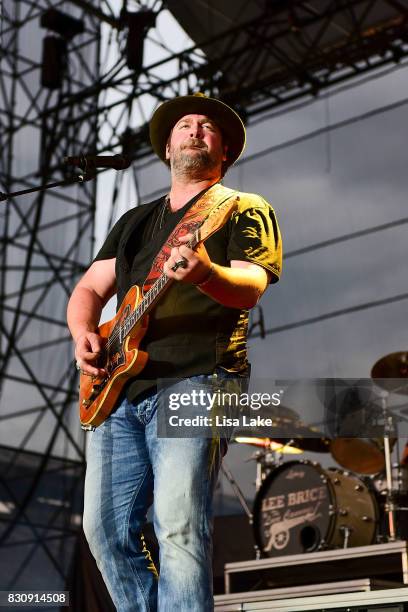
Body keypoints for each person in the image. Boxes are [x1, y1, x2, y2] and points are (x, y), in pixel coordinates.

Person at [67, 93, 282, 612]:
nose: (194, 132)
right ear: (168, 147)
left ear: (224, 151)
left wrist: (207, 273)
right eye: (184, 126)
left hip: (200, 378)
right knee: (103, 531)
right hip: (119, 388)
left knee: (179, 524)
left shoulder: (242, 207)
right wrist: (83, 334)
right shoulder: (135, 222)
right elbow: (88, 292)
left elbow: (252, 284)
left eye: (207, 128)